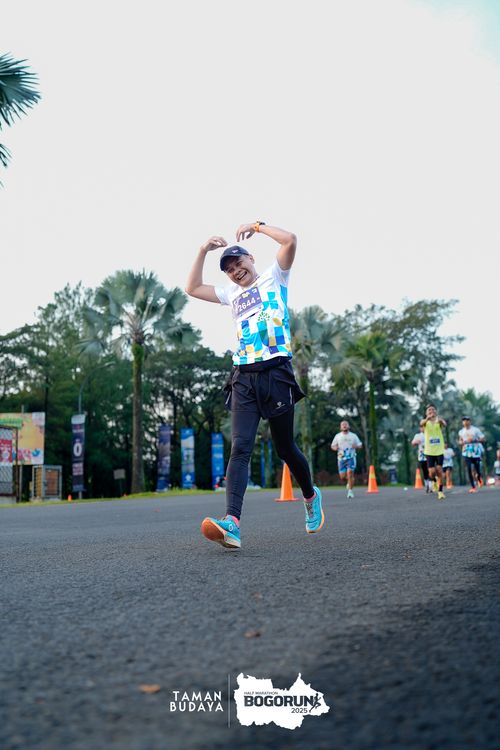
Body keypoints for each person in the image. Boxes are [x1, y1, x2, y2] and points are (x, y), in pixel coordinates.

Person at [185, 222, 324, 549]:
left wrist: (258, 227)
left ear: (251, 259)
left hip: (276, 372)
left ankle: (309, 495)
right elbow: (192, 287)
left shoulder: (275, 276)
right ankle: (232, 523)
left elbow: (290, 240)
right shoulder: (230, 293)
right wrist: (203, 250)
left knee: (285, 448)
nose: (235, 271)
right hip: (244, 377)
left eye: (239, 263)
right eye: (229, 269)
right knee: (241, 447)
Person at [420, 404, 446, 500]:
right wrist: (428, 418)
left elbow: (444, 424)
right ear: (426, 413)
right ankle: (434, 481)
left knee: (439, 470)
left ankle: (440, 491)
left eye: (433, 409)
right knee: (431, 472)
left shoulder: (439, 420)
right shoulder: (425, 422)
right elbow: (421, 423)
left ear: (436, 411)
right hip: (429, 451)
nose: (431, 411)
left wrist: (441, 421)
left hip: (439, 450)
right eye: (429, 410)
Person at [330, 420, 362, 499]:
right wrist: (335, 448)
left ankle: (350, 492)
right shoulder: (338, 436)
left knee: (350, 473)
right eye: (343, 425)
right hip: (341, 459)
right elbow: (332, 446)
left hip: (351, 457)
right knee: (342, 477)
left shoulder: (353, 436)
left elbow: (360, 445)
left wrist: (356, 446)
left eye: (346, 424)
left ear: (348, 426)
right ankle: (350, 481)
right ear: (340, 427)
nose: (344, 425)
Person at [458, 416, 486, 494]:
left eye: (467, 420)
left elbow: (483, 438)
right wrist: (462, 442)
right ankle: (473, 487)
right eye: (464, 420)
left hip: (475, 452)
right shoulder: (461, 431)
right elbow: (460, 441)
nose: (465, 422)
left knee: (477, 469)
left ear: (470, 421)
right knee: (469, 468)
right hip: (466, 452)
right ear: (462, 422)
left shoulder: (476, 430)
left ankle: (479, 478)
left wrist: (475, 440)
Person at [411, 426, 431, 493]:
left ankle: (431, 485)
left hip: (430, 454)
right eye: (421, 427)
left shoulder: (430, 434)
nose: (423, 428)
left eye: (424, 427)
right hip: (422, 456)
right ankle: (427, 485)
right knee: (425, 471)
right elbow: (412, 443)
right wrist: (416, 442)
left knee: (431, 470)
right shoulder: (418, 435)